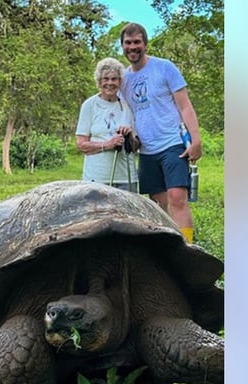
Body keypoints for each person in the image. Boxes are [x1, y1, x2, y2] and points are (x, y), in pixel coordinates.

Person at [119, 22, 201, 243]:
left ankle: (188, 248)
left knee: (177, 198)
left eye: (137, 42)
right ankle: (167, 247)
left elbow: (185, 105)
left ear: (145, 43)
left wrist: (196, 138)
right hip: (146, 149)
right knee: (157, 203)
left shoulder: (164, 68)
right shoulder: (123, 80)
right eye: (128, 43)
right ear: (122, 46)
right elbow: (126, 115)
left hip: (172, 142)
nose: (133, 47)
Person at [75, 57, 140, 192]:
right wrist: (108, 144)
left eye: (114, 79)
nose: (110, 83)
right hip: (97, 177)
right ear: (99, 82)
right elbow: (81, 145)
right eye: (106, 79)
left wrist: (129, 137)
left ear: (120, 82)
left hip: (126, 177)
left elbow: (136, 147)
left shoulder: (128, 105)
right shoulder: (90, 105)